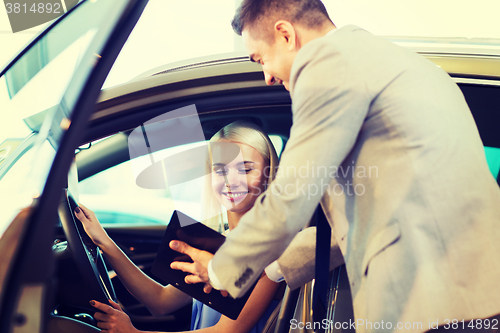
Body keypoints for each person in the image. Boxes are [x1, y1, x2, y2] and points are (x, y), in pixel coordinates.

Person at [168, 0, 500, 332]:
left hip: (434, 296)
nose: (267, 76)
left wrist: (219, 269)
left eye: (261, 59)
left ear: (285, 34)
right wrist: (275, 267)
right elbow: (374, 212)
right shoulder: (401, 64)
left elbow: (291, 194)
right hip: (468, 292)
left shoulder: (328, 64)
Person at [74, 121, 283, 333]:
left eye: (246, 169)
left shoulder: (274, 248)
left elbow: (228, 331)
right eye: (220, 171)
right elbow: (160, 301)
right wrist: (105, 243)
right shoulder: (218, 243)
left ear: (269, 172)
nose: (231, 181)